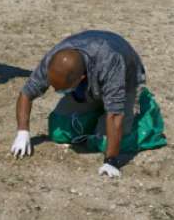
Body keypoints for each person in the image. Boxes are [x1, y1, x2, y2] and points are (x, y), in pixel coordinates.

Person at [9, 30, 148, 178]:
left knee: (106, 141)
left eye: (61, 89)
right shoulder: (54, 59)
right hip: (90, 81)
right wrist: (23, 132)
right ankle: (97, 108)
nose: (56, 91)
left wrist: (111, 160)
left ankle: (142, 106)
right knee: (59, 130)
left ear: (81, 78)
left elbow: (115, 114)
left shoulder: (110, 61)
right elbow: (26, 93)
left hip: (126, 81)